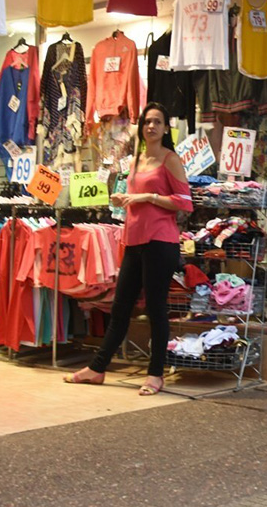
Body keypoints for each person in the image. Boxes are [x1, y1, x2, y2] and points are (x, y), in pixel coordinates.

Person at [64, 102, 192, 395]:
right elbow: (137, 201)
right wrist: (126, 199)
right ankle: (97, 368)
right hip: (133, 239)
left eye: (157, 122)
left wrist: (148, 196)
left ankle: (155, 374)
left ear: (165, 127)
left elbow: (185, 202)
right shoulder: (135, 160)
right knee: (120, 308)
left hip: (161, 241)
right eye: (147, 121)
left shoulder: (170, 159)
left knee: (156, 309)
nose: (151, 126)